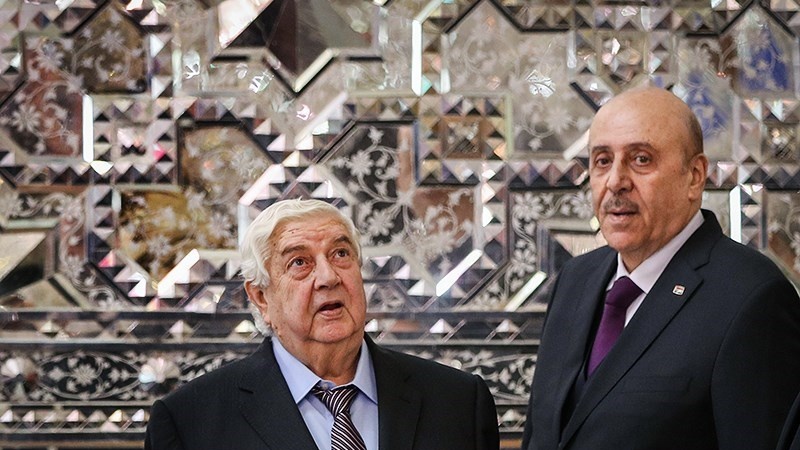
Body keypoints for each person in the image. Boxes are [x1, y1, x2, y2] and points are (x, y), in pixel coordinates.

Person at [522, 87, 800, 450]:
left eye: (641, 159)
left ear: (694, 176)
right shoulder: (575, 279)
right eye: (602, 161)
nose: (615, 181)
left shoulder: (753, 298)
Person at [144, 198, 500, 450]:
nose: (329, 277)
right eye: (300, 262)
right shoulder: (190, 422)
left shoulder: (457, 402)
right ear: (262, 298)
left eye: (340, 254)